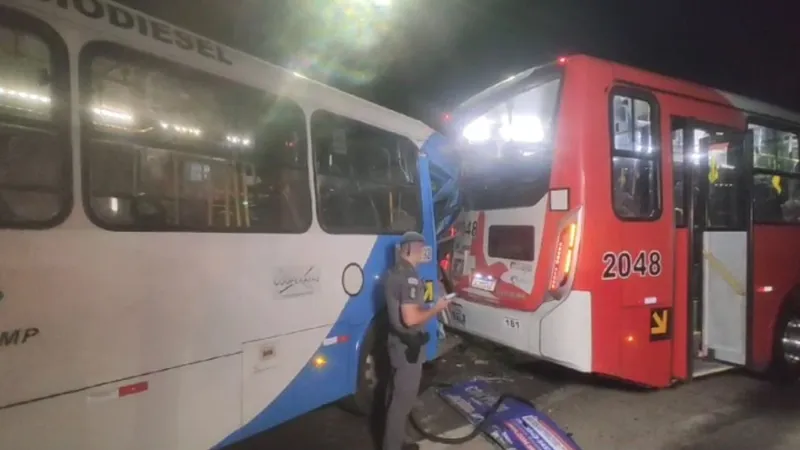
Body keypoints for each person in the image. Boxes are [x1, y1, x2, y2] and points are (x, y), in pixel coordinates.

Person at [382, 231, 451, 450]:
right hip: (407, 347)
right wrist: (435, 309)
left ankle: (397, 441)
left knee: (394, 395)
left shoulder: (395, 271)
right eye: (421, 248)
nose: (424, 252)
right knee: (402, 401)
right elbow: (410, 319)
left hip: (396, 343)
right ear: (410, 249)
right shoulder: (408, 276)